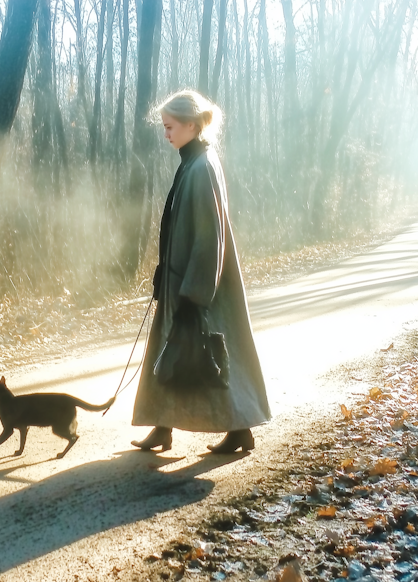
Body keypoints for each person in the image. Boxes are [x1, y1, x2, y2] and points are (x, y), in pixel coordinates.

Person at [131, 90, 271, 454]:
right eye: (164, 127)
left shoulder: (203, 165)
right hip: (182, 279)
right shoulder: (191, 162)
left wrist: (194, 293)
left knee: (208, 356)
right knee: (172, 350)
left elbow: (210, 237)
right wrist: (166, 272)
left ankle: (240, 429)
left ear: (191, 125)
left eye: (170, 126)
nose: (166, 134)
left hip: (201, 286)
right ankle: (162, 426)